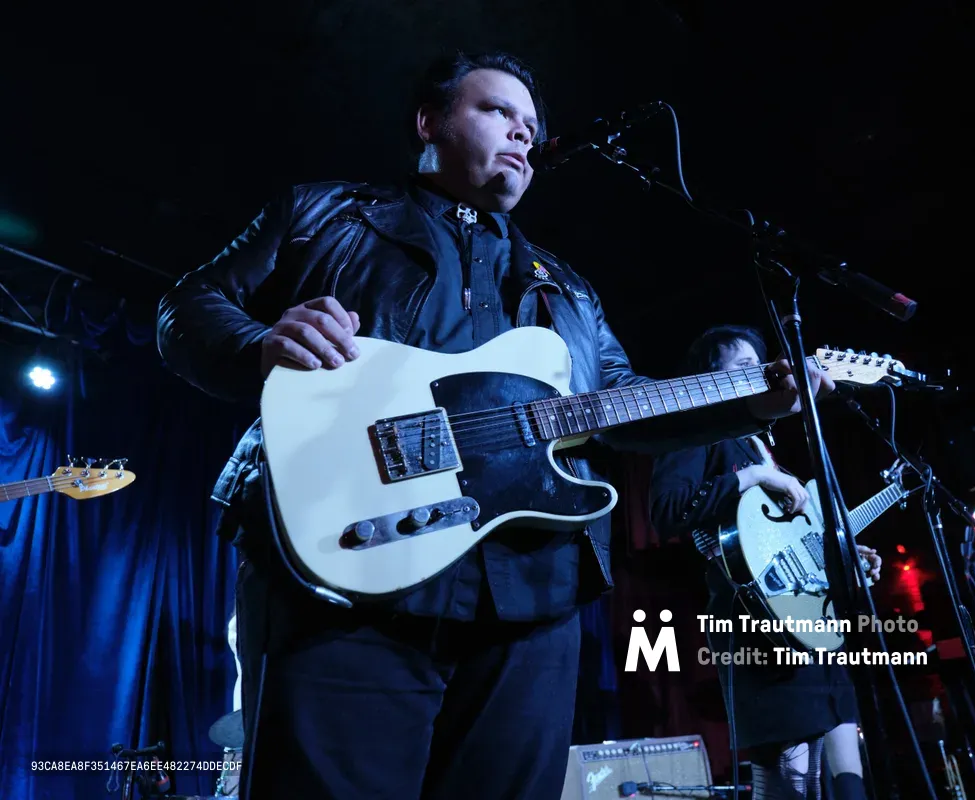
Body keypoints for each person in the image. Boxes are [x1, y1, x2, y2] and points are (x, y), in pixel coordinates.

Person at [156, 51, 825, 800]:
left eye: (533, 126)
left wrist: (753, 404)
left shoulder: (566, 288)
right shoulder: (325, 214)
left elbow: (620, 405)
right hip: (349, 578)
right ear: (429, 123)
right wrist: (259, 342)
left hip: (530, 596)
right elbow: (188, 306)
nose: (523, 135)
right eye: (498, 112)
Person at [649, 325, 882, 800]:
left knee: (847, 780)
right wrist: (754, 477)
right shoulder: (698, 427)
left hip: (810, 623)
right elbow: (668, 511)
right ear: (710, 375)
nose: (758, 374)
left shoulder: (758, 441)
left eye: (760, 364)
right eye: (742, 366)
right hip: (755, 625)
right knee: (787, 782)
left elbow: (779, 540)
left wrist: (839, 557)